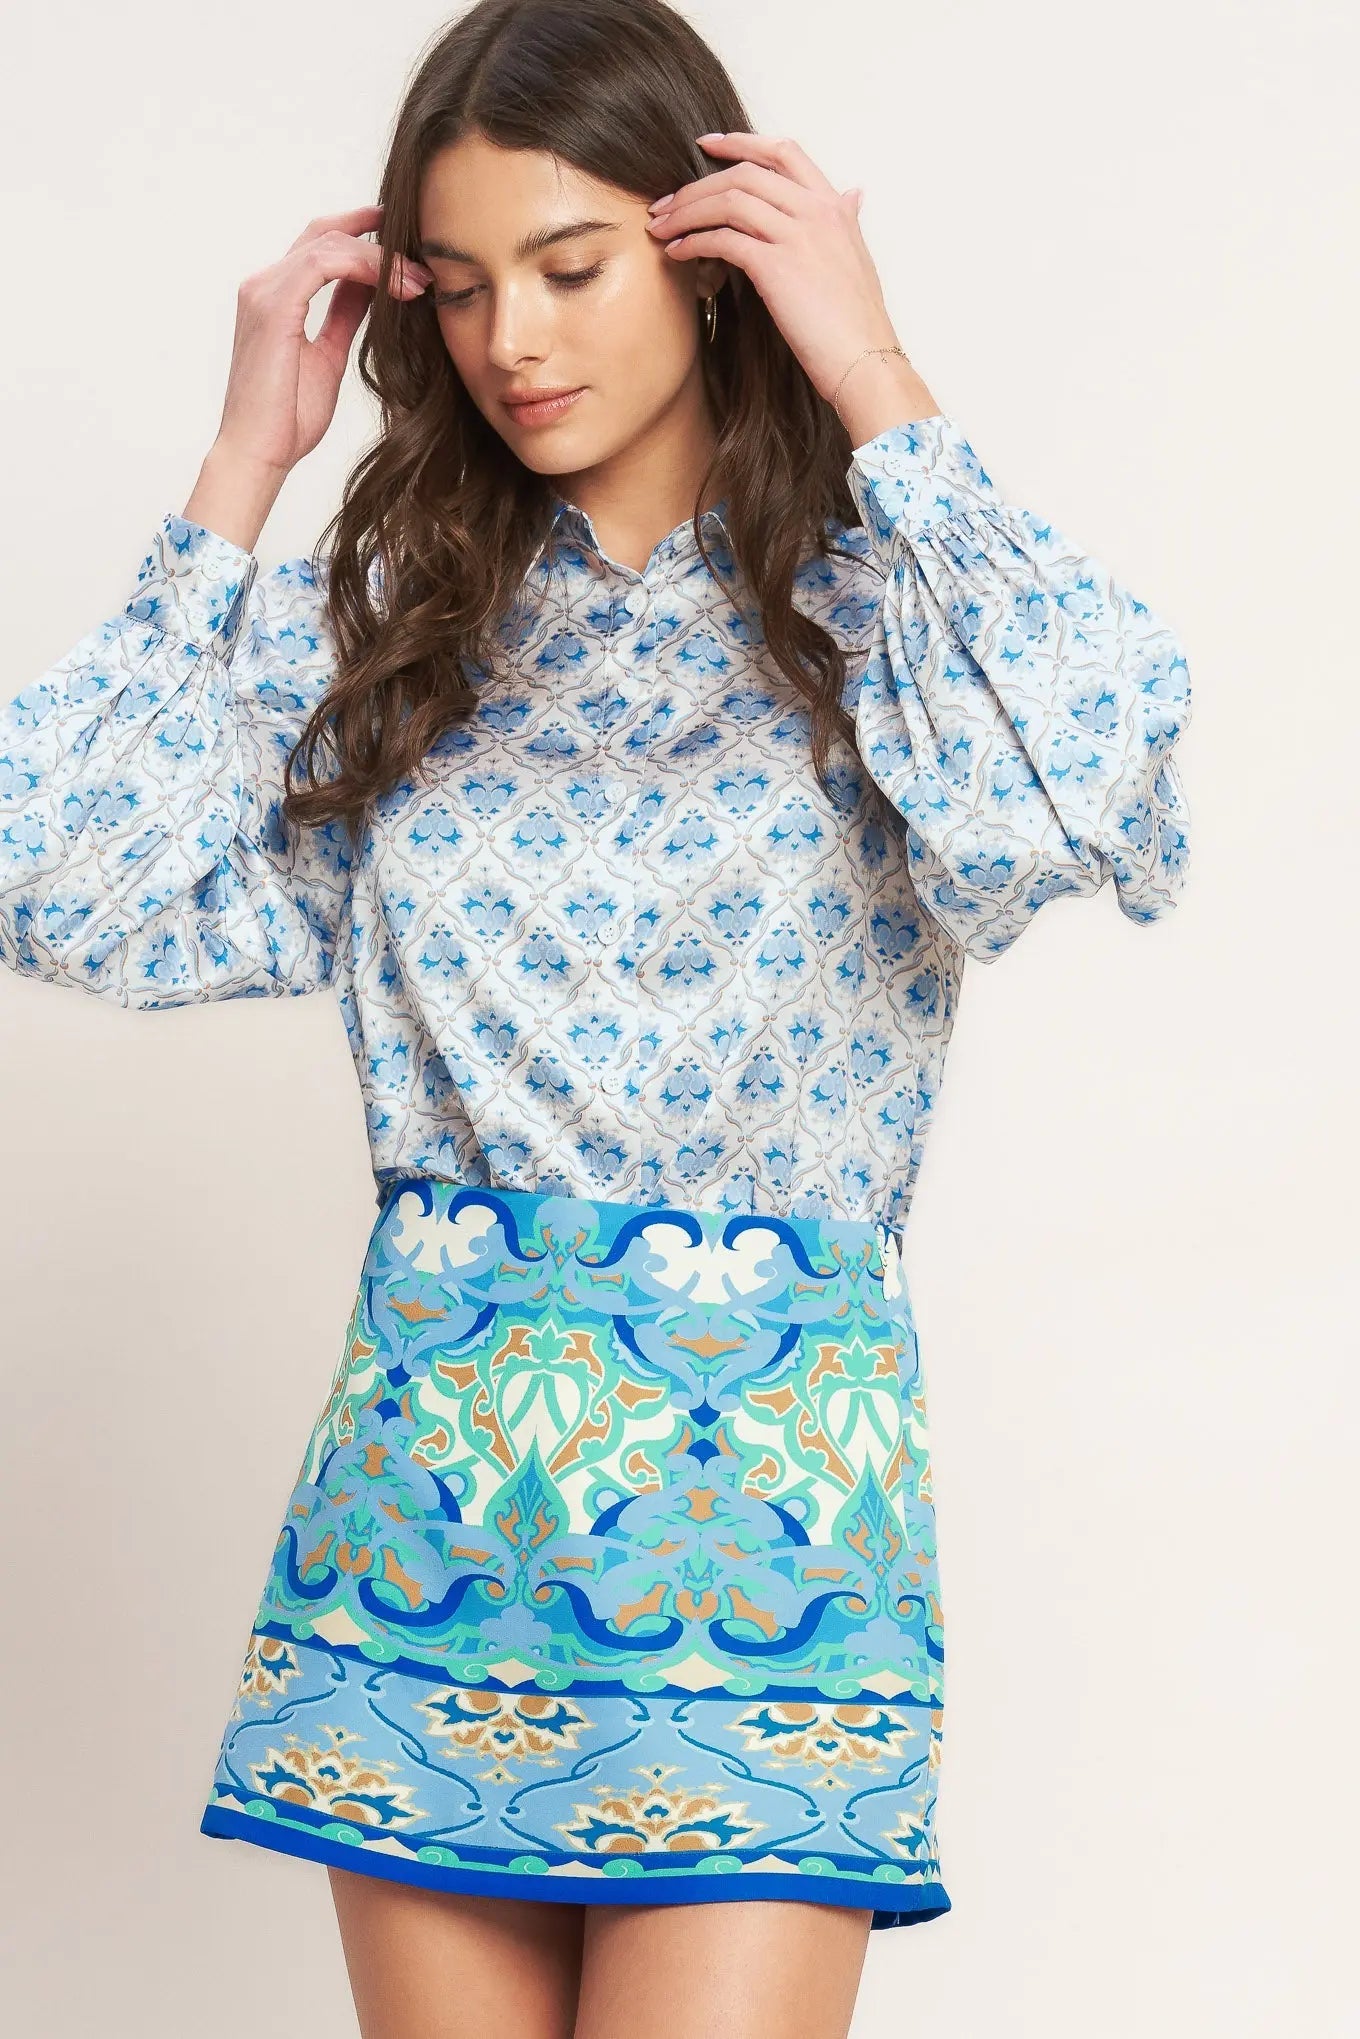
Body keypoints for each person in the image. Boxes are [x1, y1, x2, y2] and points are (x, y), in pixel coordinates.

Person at [0, 2, 1192, 2033]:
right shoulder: (391, 635)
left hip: (773, 1534)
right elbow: (54, 879)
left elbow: (1088, 786)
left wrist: (873, 368)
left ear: (707, 262)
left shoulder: (880, 619)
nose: (513, 341)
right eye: (462, 288)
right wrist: (243, 462)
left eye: (570, 267)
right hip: (427, 1520)